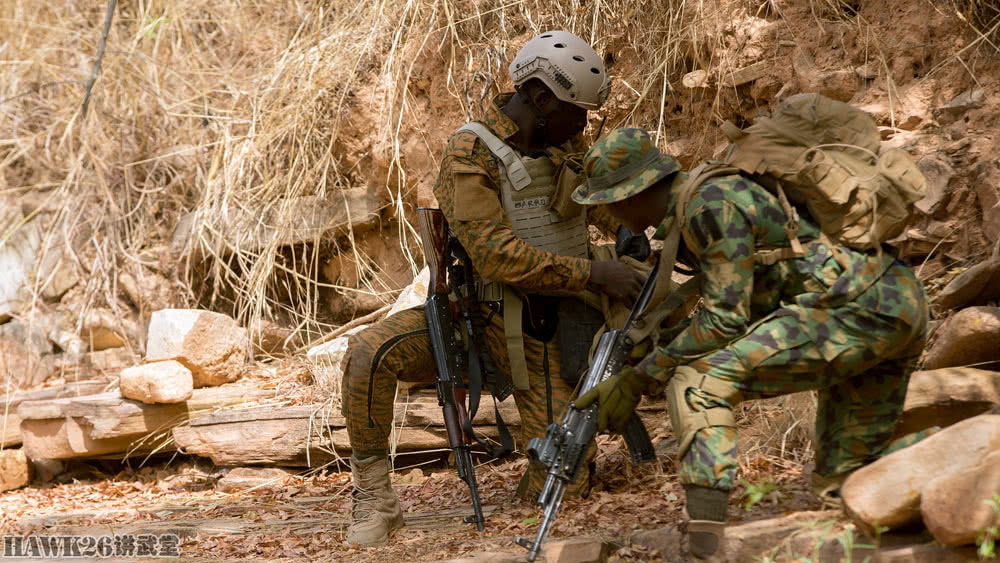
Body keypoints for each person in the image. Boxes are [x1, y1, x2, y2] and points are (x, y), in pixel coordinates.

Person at [340, 32, 647, 547]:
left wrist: (630, 236)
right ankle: (374, 498)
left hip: (550, 325)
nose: (584, 124)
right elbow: (495, 255)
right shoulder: (472, 150)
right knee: (368, 353)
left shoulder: (564, 143)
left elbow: (604, 198)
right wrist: (595, 274)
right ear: (542, 98)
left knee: (558, 480)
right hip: (477, 318)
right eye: (578, 111)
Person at [571, 128, 929, 560]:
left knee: (698, 383)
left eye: (606, 203)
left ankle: (704, 544)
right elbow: (753, 300)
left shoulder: (708, 206)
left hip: (859, 312)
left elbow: (726, 321)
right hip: (893, 303)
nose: (606, 212)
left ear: (626, 196)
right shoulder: (704, 199)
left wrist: (641, 377)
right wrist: (661, 343)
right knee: (847, 482)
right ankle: (972, 454)